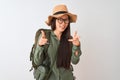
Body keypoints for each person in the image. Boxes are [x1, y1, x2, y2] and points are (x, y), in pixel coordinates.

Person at [33, 4, 82, 80]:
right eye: (60, 20)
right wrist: (40, 45)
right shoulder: (45, 36)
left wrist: (76, 46)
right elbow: (37, 62)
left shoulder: (70, 39)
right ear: (54, 20)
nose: (63, 24)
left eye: (66, 20)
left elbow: (74, 61)